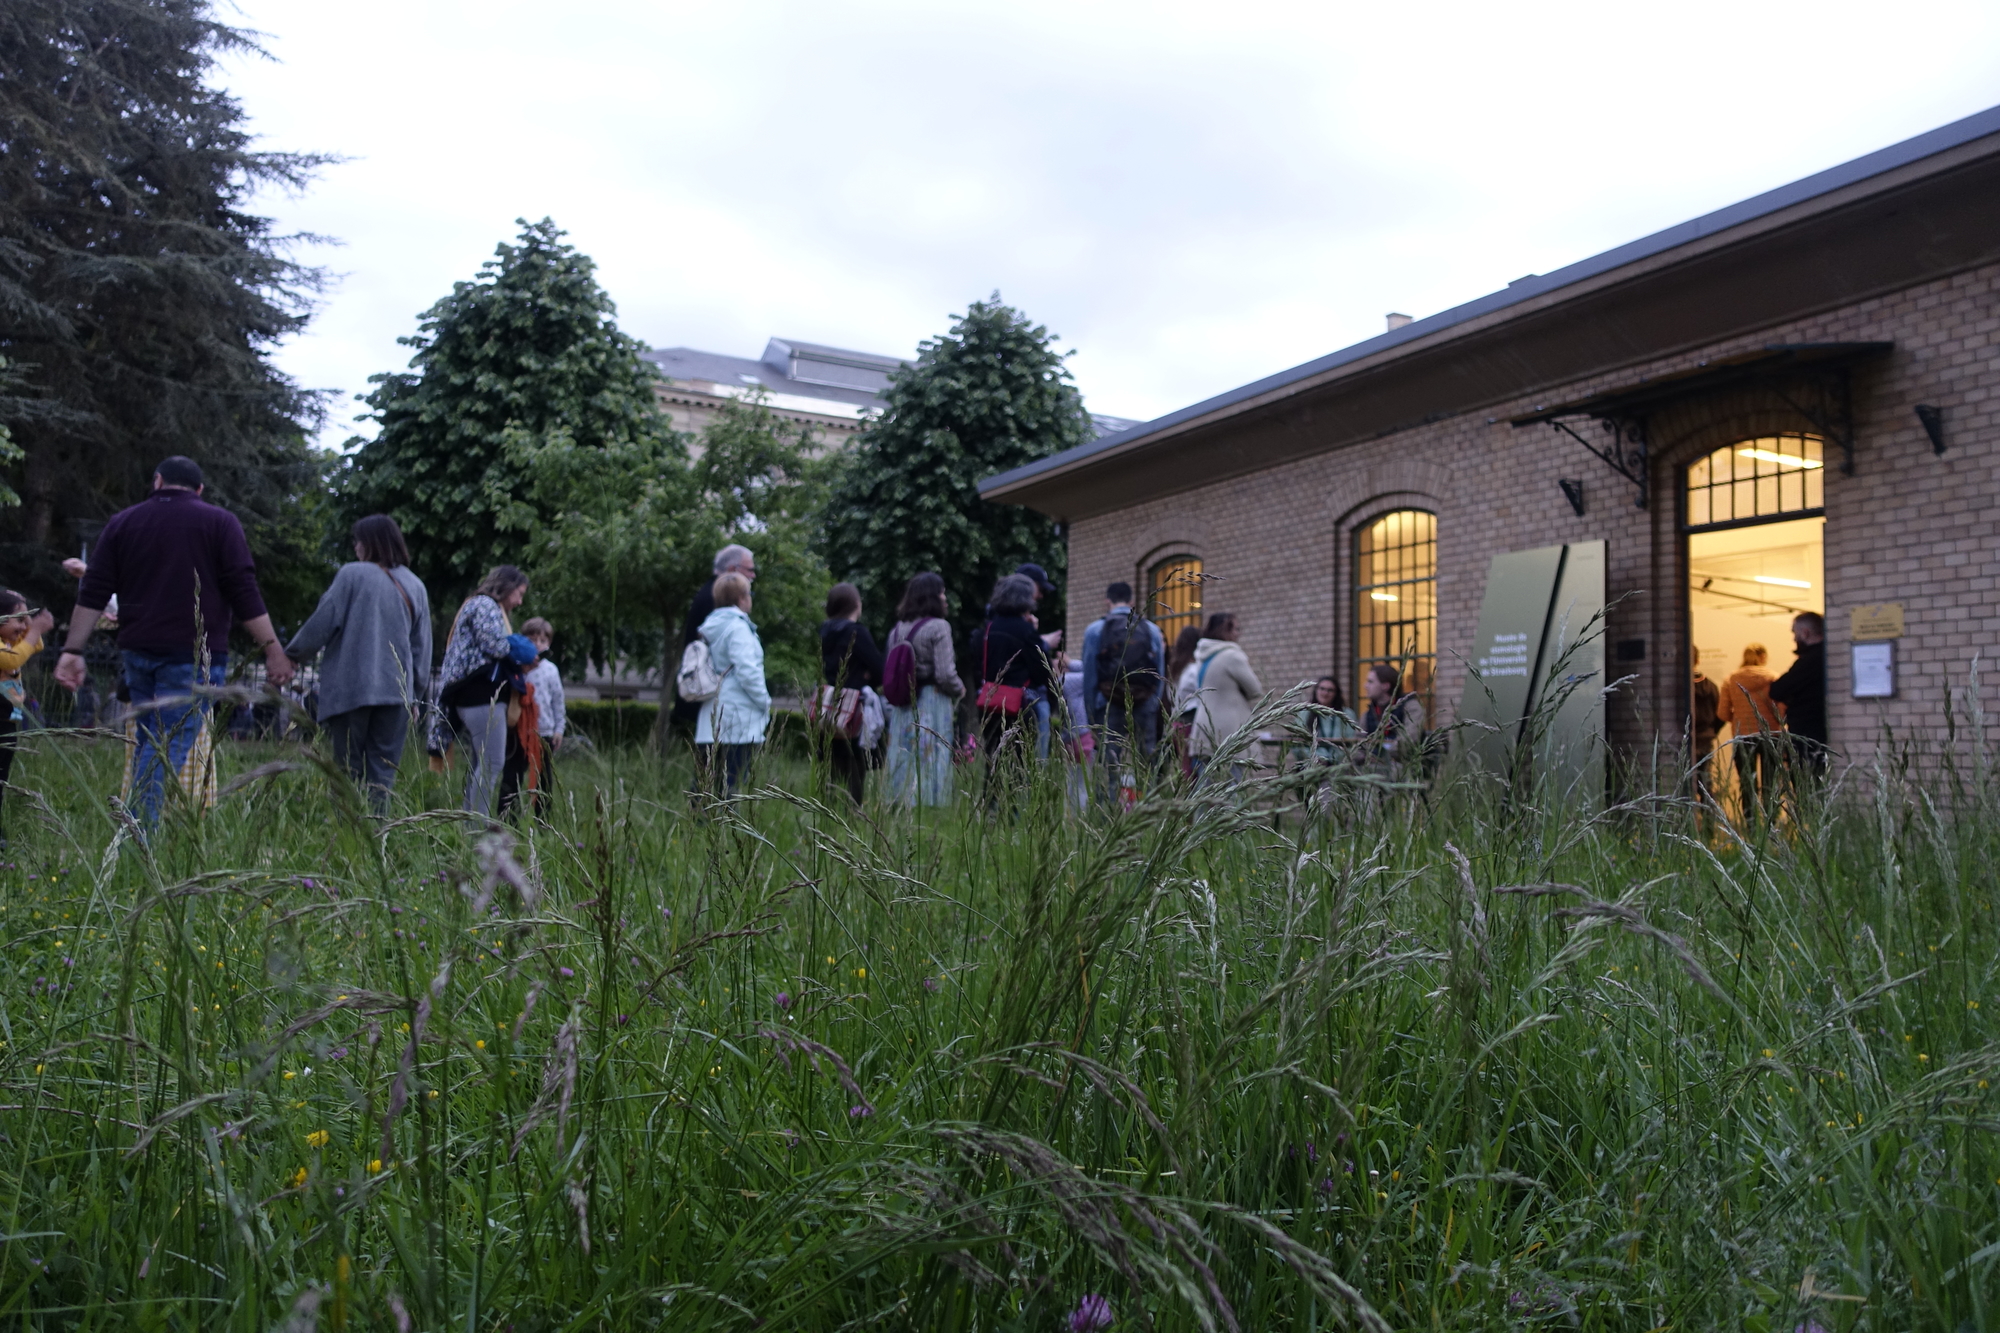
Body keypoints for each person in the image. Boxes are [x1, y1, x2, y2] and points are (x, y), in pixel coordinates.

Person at [52, 456, 297, 824]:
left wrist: (72, 650)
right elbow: (244, 591)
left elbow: (93, 591)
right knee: (166, 747)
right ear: (199, 490)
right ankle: (138, 839)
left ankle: (136, 831)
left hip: (138, 651)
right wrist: (273, 650)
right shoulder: (219, 522)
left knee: (149, 743)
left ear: (157, 481)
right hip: (195, 655)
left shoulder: (123, 522)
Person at [283, 515, 431, 815]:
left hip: (352, 690)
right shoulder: (416, 585)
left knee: (346, 772)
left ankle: (347, 838)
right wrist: (414, 693)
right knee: (383, 775)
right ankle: (377, 839)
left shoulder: (351, 575)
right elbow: (421, 648)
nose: (355, 546)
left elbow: (323, 621)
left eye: (357, 540)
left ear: (368, 543)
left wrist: (293, 655)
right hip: (396, 695)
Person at [434, 565, 531, 816]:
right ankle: (476, 829)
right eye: (519, 594)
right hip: (481, 696)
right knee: (491, 764)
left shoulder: (478, 605)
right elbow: (496, 646)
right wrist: (520, 647)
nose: (520, 602)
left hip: (473, 696)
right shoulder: (485, 605)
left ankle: (471, 824)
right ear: (506, 587)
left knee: (481, 763)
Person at [969, 573, 1054, 799]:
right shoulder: (1025, 631)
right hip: (1019, 705)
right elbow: (1041, 669)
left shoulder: (988, 628)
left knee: (993, 757)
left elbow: (978, 662)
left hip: (989, 702)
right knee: (1019, 761)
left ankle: (990, 808)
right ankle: (1014, 812)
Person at [884, 572, 964, 808]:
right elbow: (945, 674)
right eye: (942, 592)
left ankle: (898, 802)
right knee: (932, 756)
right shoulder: (939, 627)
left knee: (903, 754)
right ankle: (929, 805)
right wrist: (960, 688)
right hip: (932, 701)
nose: (945, 598)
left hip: (903, 704)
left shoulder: (896, 629)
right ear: (932, 596)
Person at [1080, 582, 1167, 793]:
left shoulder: (1095, 630)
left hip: (1107, 702)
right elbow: (1160, 673)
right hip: (1144, 703)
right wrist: (1153, 704)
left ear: (1107, 601)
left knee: (1108, 764)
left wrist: (1092, 715)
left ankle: (1104, 819)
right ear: (1132, 602)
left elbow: (1089, 675)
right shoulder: (1152, 629)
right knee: (1147, 763)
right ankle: (1149, 815)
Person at [694, 571, 770, 797]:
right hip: (737, 718)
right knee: (731, 785)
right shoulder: (737, 627)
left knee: (703, 784)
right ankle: (725, 829)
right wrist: (764, 701)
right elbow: (748, 671)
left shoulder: (711, 626)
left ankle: (697, 828)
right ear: (743, 598)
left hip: (712, 713)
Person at [674, 545, 756, 730]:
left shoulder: (708, 595)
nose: (753, 575)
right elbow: (735, 661)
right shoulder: (722, 608)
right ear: (732, 570)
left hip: (706, 700)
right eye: (750, 570)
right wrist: (761, 700)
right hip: (716, 704)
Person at [817, 583, 885, 805]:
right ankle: (852, 808)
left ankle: (829, 805)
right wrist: (867, 676)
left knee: (831, 757)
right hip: (854, 705)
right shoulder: (857, 632)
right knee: (855, 760)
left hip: (829, 700)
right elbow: (879, 668)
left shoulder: (824, 631)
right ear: (857, 604)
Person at [0, 592, 54, 845]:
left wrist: (31, 626)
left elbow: (37, 645)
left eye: (25, 620)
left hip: (7, 720)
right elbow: (12, 660)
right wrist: (34, 629)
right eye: (18, 619)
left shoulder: (10, 642)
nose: (23, 627)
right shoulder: (4, 649)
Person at [1185, 613, 1263, 786]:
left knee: (1204, 791)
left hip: (1203, 728)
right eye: (1236, 628)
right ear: (1224, 630)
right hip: (1229, 732)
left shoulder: (1201, 656)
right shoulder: (1232, 656)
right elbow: (1255, 690)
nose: (1238, 634)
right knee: (1232, 790)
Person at [499, 617, 564, 817]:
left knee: (544, 779)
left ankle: (543, 821)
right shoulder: (515, 668)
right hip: (517, 732)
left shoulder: (551, 670)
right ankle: (509, 819)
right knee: (512, 776)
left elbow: (557, 700)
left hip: (543, 732)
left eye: (542, 641)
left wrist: (558, 729)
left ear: (549, 643)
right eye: (532, 639)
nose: (537, 644)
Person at [1715, 642, 1782, 816]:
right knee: (1771, 783)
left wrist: (1738, 720)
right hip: (1771, 735)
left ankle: (1751, 828)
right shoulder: (1773, 677)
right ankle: (1771, 825)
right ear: (1763, 657)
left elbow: (1722, 713)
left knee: (1748, 784)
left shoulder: (1731, 679)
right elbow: (1781, 710)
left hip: (1743, 736)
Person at [1768, 611, 1828, 777]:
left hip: (1808, 735)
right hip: (1818, 731)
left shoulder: (1810, 660)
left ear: (1805, 633)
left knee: (1807, 783)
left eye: (1795, 633)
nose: (1794, 639)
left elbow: (1778, 689)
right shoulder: (1827, 656)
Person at [1360, 663, 1428, 780]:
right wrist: (1363, 755)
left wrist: (1382, 756)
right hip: (1372, 764)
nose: (1365, 685)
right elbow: (1357, 742)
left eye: (1370, 682)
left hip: (1405, 765)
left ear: (1385, 686)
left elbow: (1409, 740)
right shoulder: (1368, 714)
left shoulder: (1410, 706)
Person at [1164, 625, 1203, 778]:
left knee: (1185, 768)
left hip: (1177, 722)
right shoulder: (1194, 669)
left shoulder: (1175, 668)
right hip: (1191, 721)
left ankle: (1187, 799)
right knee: (1197, 768)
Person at [1295, 675, 1360, 766]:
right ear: (1316, 690)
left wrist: (1332, 760)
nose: (1325, 693)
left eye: (1330, 690)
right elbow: (1298, 744)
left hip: (1339, 766)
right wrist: (1316, 758)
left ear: (1336, 693)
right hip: (1311, 766)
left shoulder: (1347, 714)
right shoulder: (1304, 713)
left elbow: (1351, 742)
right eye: (1322, 689)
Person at [1691, 647, 1721, 800]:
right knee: (1706, 782)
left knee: (1686, 783)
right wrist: (1712, 731)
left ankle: (1690, 821)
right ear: (1698, 660)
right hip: (1706, 739)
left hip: (1687, 738)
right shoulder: (1711, 686)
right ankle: (1709, 822)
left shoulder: (1682, 686)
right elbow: (1720, 713)